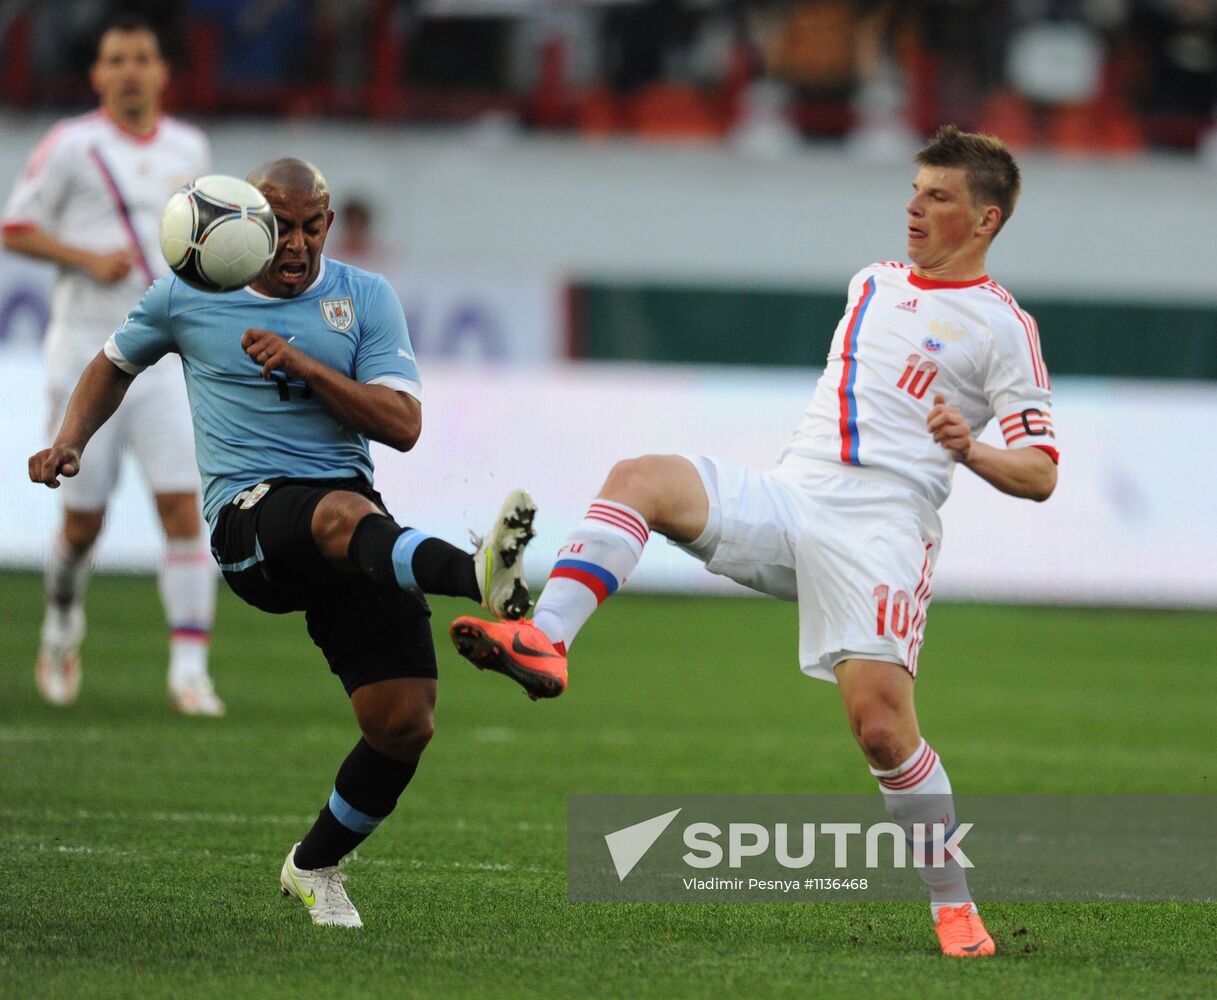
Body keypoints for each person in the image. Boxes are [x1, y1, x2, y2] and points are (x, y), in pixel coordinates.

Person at [450, 125, 1057, 958]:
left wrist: (970, 448)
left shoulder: (1002, 329)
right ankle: (545, 639)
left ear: (985, 220)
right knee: (641, 477)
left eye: (937, 196)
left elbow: (1039, 473)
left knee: (881, 730)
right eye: (914, 189)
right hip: (790, 497)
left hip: (881, 532)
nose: (912, 207)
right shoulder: (871, 282)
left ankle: (953, 906)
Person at [28, 157, 538, 929]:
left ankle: (314, 866)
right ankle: (478, 575)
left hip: (355, 529)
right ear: (249, 222)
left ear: (328, 223)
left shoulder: (365, 298)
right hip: (250, 523)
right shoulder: (190, 293)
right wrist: (70, 441)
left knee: (404, 722)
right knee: (337, 514)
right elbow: (112, 363)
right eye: (281, 226)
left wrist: (304, 364)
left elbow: (401, 425)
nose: (297, 244)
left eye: (312, 226)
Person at [2, 13, 223, 715]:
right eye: (117, 59)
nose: (130, 70)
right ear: (98, 75)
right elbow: (15, 228)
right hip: (87, 357)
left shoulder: (190, 145)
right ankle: (63, 619)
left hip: (163, 361)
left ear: (162, 73)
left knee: (183, 508)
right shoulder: (72, 144)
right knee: (82, 525)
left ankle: (190, 669)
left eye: (142, 58)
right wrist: (85, 258)